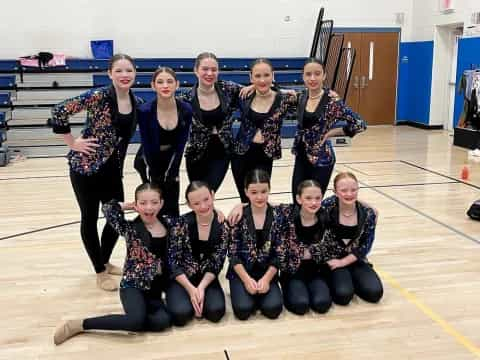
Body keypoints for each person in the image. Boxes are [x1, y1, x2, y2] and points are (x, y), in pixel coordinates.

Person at [51, 54, 143, 291]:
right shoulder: (98, 96)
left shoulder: (137, 101)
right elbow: (60, 110)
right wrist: (72, 143)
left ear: (135, 74)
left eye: (129, 71)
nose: (125, 75)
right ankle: (99, 270)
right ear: (109, 74)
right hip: (85, 168)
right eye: (119, 71)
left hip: (113, 170)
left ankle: (104, 259)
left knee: (114, 216)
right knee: (89, 218)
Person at [53, 183, 174, 345]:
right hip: (132, 286)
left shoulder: (170, 224)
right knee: (135, 322)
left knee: (163, 322)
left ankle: (135, 318)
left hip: (155, 291)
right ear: (136, 205)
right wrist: (127, 205)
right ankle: (79, 324)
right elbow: (108, 209)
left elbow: (193, 220)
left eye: (154, 202)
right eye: (143, 203)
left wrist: (215, 212)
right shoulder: (130, 228)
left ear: (161, 203)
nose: (149, 207)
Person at [175, 52, 252, 192]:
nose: (209, 73)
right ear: (196, 70)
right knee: (198, 195)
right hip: (196, 155)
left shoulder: (228, 89)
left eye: (214, 69)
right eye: (205, 69)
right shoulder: (184, 99)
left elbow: (259, 90)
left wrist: (254, 86)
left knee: (209, 192)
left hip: (221, 152)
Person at [291, 58, 366, 199]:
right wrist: (253, 87)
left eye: (317, 74)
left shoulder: (332, 101)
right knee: (298, 199)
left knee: (314, 202)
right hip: (301, 156)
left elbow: (359, 124)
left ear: (324, 75)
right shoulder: (301, 96)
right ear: (303, 76)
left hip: (322, 159)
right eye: (308, 74)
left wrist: (331, 133)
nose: (312, 78)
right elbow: (273, 93)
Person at [231, 58, 297, 203]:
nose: (262, 80)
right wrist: (252, 87)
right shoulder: (243, 95)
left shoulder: (285, 99)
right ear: (251, 77)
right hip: (241, 154)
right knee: (245, 199)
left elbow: (314, 97)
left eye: (266, 75)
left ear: (273, 76)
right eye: (257, 76)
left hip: (265, 154)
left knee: (260, 198)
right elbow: (218, 86)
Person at [166, 181, 229, 325]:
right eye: (196, 203)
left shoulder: (223, 227)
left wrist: (200, 288)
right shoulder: (180, 224)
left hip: (206, 277)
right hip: (182, 277)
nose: (203, 206)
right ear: (189, 205)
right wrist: (191, 290)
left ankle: (200, 293)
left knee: (216, 312)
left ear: (213, 195)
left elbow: (216, 262)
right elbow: (173, 262)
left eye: (206, 199)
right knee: (181, 315)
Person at [228, 169, 285, 320]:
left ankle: (262, 292)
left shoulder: (278, 215)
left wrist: (266, 279)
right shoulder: (238, 216)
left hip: (267, 271)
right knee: (243, 310)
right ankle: (248, 293)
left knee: (273, 309)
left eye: (263, 191)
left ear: (269, 190)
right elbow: (233, 255)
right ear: (246, 192)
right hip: (242, 272)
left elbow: (279, 253)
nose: (259, 197)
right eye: (254, 192)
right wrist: (246, 280)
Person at [136, 67, 193, 217]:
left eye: (169, 81)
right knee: (154, 203)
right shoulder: (145, 111)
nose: (165, 86)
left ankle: (173, 238)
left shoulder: (186, 109)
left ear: (177, 84)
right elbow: (147, 145)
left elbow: (181, 144)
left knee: (172, 203)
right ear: (153, 86)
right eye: (160, 82)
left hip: (171, 157)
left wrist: (173, 171)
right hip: (149, 160)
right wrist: (155, 176)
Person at [321, 172, 383, 305]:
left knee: (375, 294)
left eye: (353, 190)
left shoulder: (367, 214)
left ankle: (352, 279)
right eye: (343, 190)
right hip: (333, 260)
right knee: (343, 296)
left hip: (354, 259)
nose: (349, 194)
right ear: (335, 192)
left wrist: (343, 262)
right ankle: (340, 280)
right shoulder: (326, 208)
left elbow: (365, 246)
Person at [279, 180, 332, 315]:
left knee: (322, 304)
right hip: (292, 272)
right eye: (308, 198)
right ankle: (288, 288)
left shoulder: (325, 216)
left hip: (315, 271)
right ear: (298, 199)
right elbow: (264, 204)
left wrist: (371, 207)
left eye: (318, 198)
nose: (313, 203)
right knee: (300, 305)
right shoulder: (287, 214)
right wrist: (239, 206)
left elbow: (345, 198)